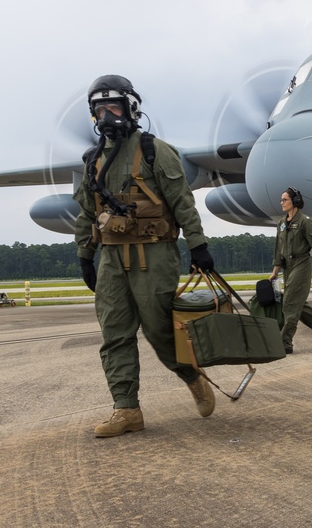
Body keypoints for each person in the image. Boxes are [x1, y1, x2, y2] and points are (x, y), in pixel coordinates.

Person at [73, 74, 217, 438]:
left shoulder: (155, 151)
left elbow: (182, 201)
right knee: (115, 334)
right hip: (111, 259)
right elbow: (87, 213)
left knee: (159, 331)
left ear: (131, 109)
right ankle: (126, 410)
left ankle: (191, 375)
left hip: (154, 255)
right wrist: (85, 254)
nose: (107, 115)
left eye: (113, 107)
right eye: (99, 109)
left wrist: (198, 246)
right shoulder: (92, 161)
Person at [269, 186, 312, 354]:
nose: (281, 203)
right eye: (281, 200)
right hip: (287, 267)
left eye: (285, 200)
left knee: (289, 304)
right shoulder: (282, 224)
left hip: (301, 265)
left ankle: (285, 344)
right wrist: (275, 270)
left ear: (295, 202)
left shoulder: (304, 222)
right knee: (298, 304)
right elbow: (278, 248)